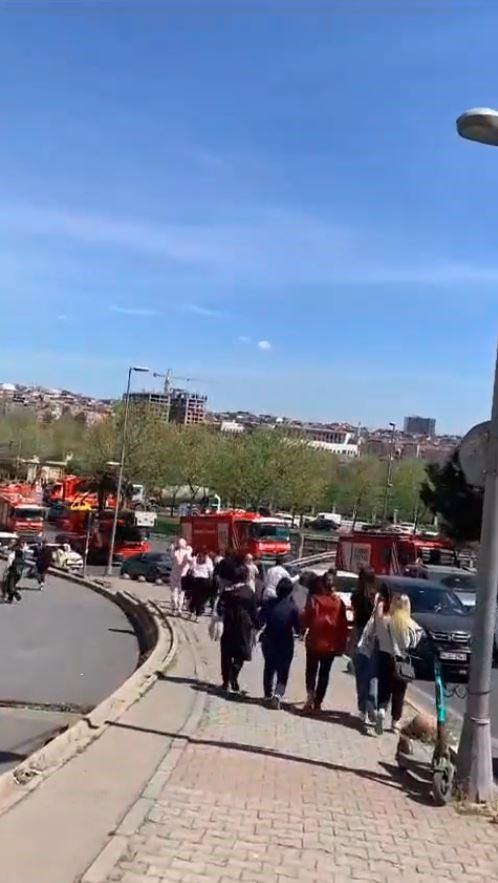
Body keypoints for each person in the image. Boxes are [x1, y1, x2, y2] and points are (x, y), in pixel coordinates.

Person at [374, 589, 422, 734]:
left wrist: (380, 603)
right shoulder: (411, 624)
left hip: (384, 657)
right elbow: (413, 643)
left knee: (384, 688)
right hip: (401, 659)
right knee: (399, 692)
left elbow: (377, 624)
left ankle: (381, 710)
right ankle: (395, 721)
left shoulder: (385, 620)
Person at [301, 571, 348, 714]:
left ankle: (310, 697)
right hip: (331, 644)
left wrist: (302, 628)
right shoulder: (339, 603)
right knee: (324, 674)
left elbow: (307, 618)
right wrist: (341, 646)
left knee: (311, 671)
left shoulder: (315, 599)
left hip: (314, 641)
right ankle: (318, 703)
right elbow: (343, 626)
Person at [259, 577, 300, 709]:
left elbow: (259, 619)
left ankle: (267, 693)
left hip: (269, 639)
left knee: (269, 667)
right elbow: (298, 627)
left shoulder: (269, 603)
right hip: (285, 642)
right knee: (283, 670)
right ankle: (278, 694)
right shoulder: (293, 608)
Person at [216, 564, 258, 694]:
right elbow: (254, 611)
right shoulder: (249, 592)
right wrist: (256, 626)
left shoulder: (227, 591)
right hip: (244, 626)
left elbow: (219, 609)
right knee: (242, 652)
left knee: (226, 653)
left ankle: (226, 681)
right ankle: (234, 674)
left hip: (229, 624)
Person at [169, 538, 193, 616]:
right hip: (183, 575)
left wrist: (173, 547)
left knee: (174, 592)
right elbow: (190, 560)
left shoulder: (175, 552)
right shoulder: (187, 552)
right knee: (181, 593)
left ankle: (174, 606)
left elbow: (171, 557)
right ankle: (179, 609)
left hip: (174, 574)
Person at [189, 551, 214, 621]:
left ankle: (191, 613)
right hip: (204, 581)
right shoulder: (209, 560)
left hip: (195, 580)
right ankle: (197, 616)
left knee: (194, 597)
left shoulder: (195, 559)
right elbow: (211, 572)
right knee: (201, 600)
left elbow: (191, 569)